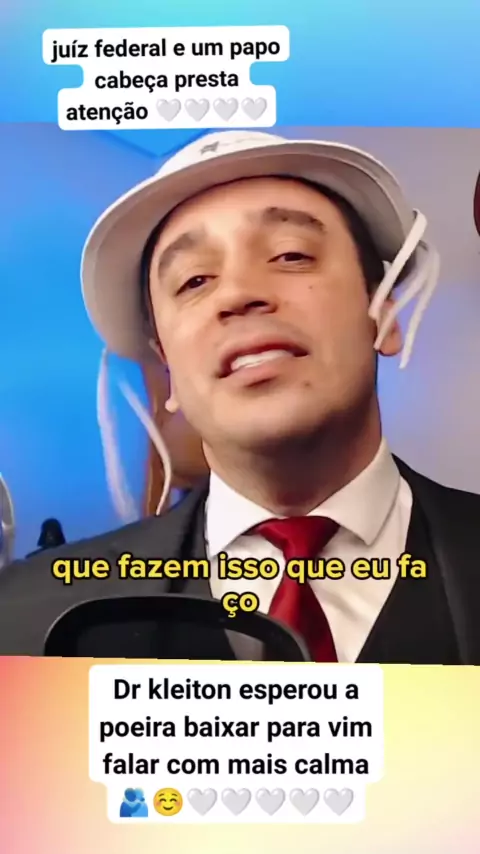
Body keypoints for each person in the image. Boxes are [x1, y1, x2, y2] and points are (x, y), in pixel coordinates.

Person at [1, 129, 479, 663]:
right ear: (167, 369)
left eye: (291, 255)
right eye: (194, 280)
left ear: (384, 317)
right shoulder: (24, 623)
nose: (237, 294)